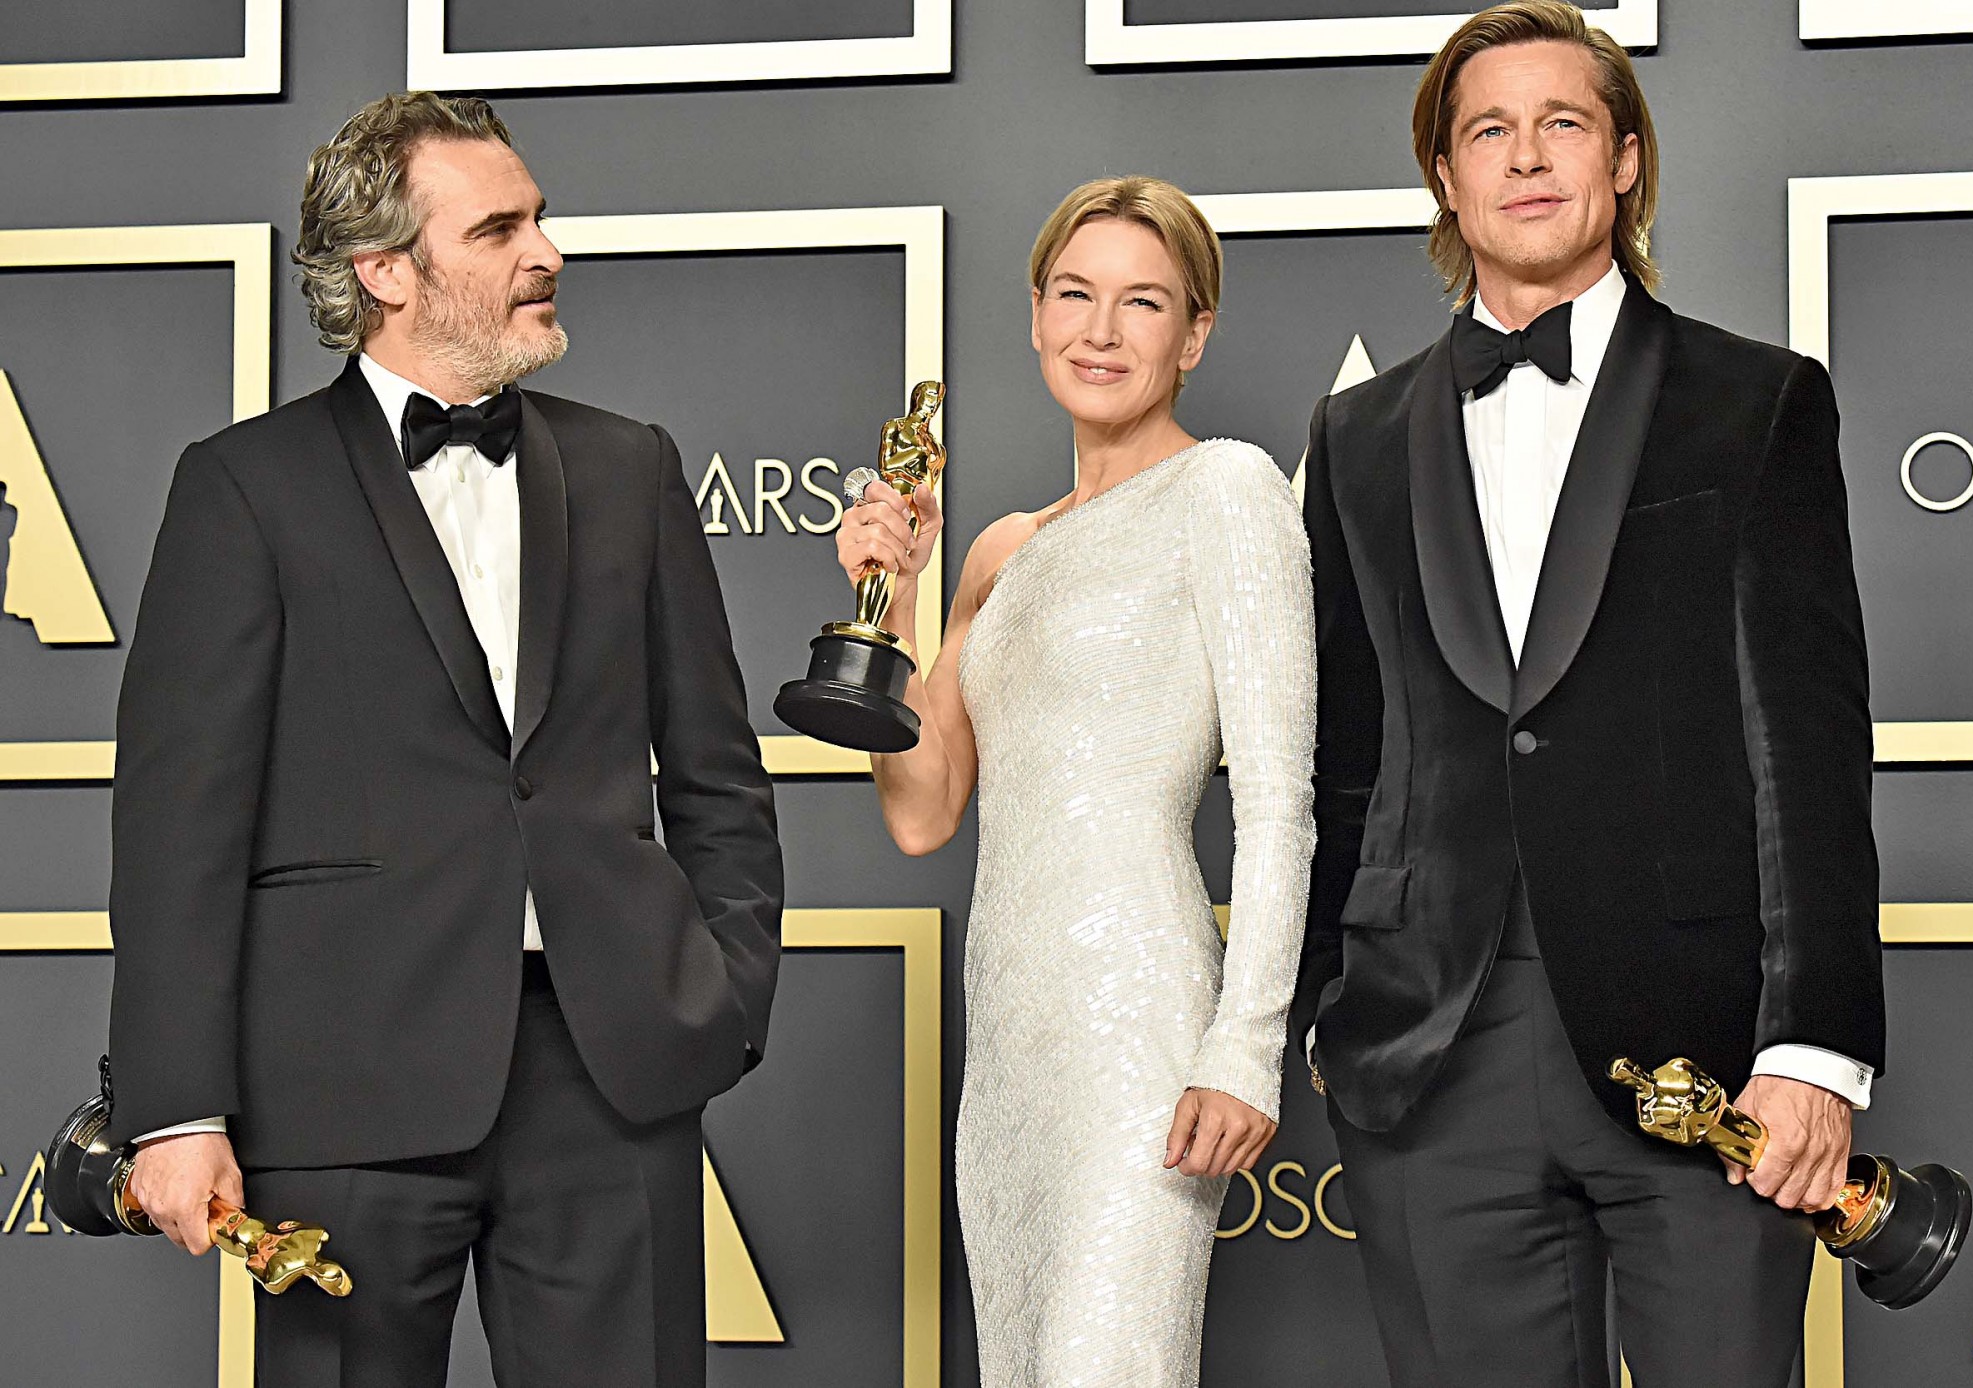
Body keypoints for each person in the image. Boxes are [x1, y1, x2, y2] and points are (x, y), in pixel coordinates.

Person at [105, 91, 781, 1387]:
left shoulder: (631, 467)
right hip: (341, 1079)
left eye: (541, 219)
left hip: (609, 1071)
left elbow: (717, 776)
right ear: (385, 271)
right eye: (499, 229)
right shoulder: (245, 487)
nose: (548, 252)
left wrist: (722, 998)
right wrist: (177, 1105)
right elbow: (179, 825)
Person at [1292, 6, 1884, 1385]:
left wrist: (1814, 1046)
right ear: (1446, 177)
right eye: (1487, 131)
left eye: (1561, 123)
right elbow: (1346, 751)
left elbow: (1808, 747)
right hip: (1430, 1051)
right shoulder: (1355, 437)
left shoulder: (1757, 400)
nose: (1525, 156)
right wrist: (1327, 1004)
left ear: (1623, 160)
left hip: (1708, 1048)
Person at [836, 175, 1314, 1385]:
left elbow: (1277, 799)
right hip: (1011, 1039)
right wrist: (890, 603)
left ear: (1192, 335)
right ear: (1035, 315)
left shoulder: (1228, 489)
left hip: (1138, 1024)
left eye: (1142, 302)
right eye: (1073, 293)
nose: (1100, 330)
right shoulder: (1002, 546)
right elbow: (924, 808)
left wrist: (1243, 1044)